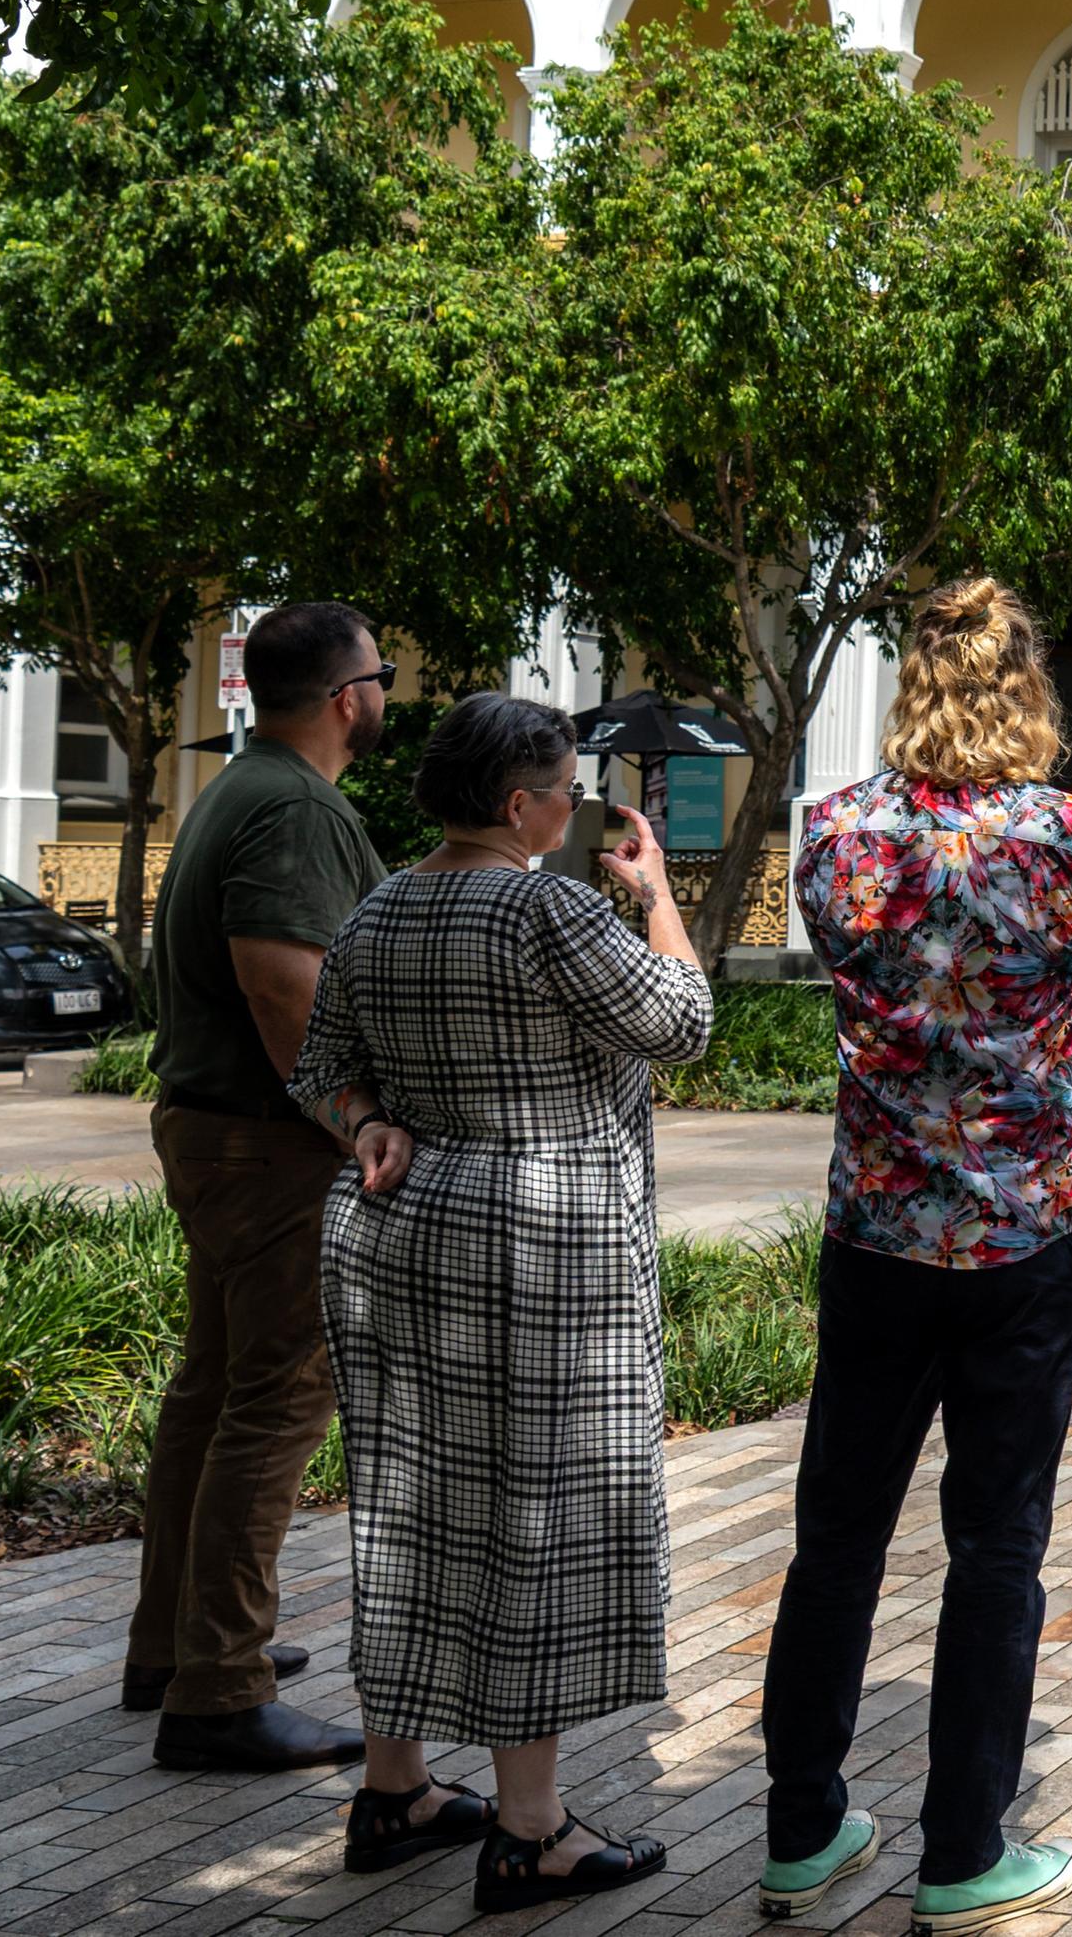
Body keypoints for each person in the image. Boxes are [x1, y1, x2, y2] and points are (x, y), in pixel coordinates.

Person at [292, 691, 719, 1912]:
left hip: (400, 1230)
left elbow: (319, 1073)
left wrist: (369, 1124)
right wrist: (656, 896)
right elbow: (681, 1022)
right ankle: (531, 1830)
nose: (577, 808)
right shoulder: (549, 905)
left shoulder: (379, 907)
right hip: (540, 1234)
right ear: (523, 804)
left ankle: (397, 1789)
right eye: (569, 790)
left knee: (408, 1508)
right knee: (533, 1517)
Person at [756, 581, 1072, 1933]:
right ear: (1026, 686)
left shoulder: (832, 833)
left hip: (877, 1228)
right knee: (995, 1548)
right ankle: (963, 1849)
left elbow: (868, 992)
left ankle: (801, 1828)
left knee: (836, 1541)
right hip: (1023, 1236)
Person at [121, 595, 387, 1769]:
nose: (385, 696)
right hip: (266, 1148)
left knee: (214, 1389)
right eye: (380, 679)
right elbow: (287, 992)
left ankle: (174, 1647)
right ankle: (218, 1691)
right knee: (274, 1403)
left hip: (220, 1134)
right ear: (347, 697)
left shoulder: (246, 786)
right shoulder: (288, 806)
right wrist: (359, 1123)